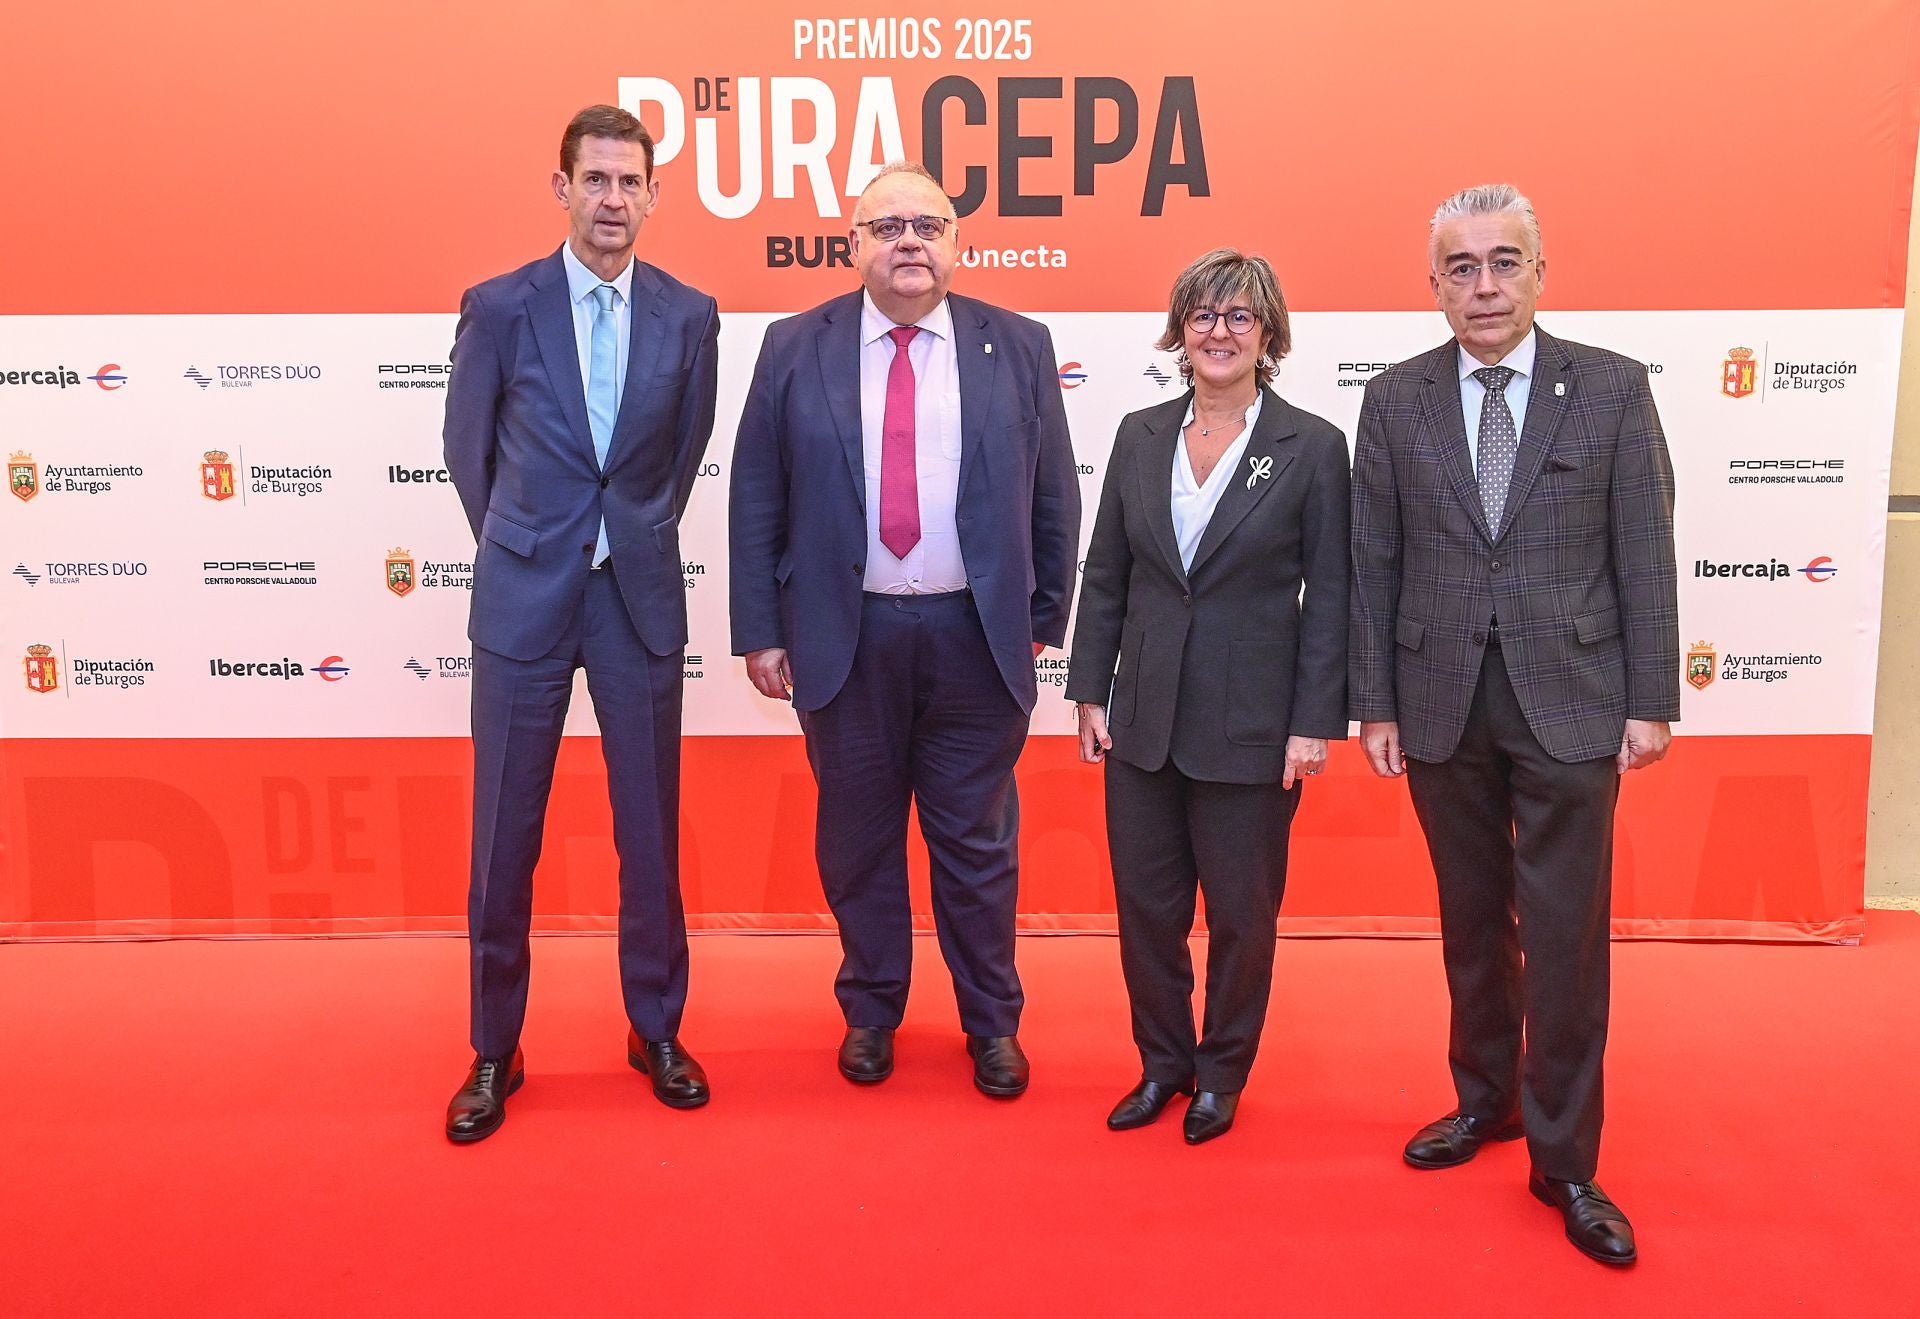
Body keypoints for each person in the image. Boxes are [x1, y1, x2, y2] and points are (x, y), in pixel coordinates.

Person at [1349, 183, 1678, 1262]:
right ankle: (1483, 1097)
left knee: (1568, 938)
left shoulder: (1614, 389)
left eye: (1503, 262)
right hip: (1440, 698)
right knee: (1470, 920)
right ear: (1433, 282)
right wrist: (1377, 700)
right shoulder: (1395, 401)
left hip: (1574, 698)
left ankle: (1566, 1160)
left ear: (1541, 273)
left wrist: (1649, 697)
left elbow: (1644, 548)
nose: (1482, 285)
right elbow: (1375, 563)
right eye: (1460, 266)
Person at [729, 162, 1080, 1096]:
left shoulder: (1020, 344)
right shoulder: (794, 344)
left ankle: (991, 1023)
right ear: (855, 245)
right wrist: (761, 627)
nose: (910, 242)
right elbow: (756, 491)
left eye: (929, 224)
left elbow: (1055, 492)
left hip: (974, 639)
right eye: (888, 227)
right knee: (858, 840)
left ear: (957, 241)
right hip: (844, 639)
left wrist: (1042, 617)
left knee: (976, 845)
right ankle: (873, 1009)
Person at [441, 105, 720, 1142]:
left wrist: (621, 538)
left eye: (629, 182)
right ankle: (492, 1046)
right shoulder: (501, 306)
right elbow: (471, 452)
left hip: (636, 598)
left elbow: (677, 463)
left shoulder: (691, 316)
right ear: (561, 188)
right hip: (524, 597)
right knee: (503, 835)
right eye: (594, 180)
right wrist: (532, 541)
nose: (612, 200)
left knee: (649, 831)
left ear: (653, 194)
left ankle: (655, 1028)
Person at [1065, 249, 1349, 1145]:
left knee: (1240, 916)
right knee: (1146, 911)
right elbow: (1106, 572)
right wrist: (1089, 688)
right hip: (1142, 718)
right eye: (1203, 315)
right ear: (1179, 331)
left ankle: (1222, 1072)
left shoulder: (1312, 447)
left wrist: (1313, 722)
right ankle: (1162, 1064)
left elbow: (1332, 596)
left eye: (1238, 316)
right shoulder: (1138, 435)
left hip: (1253, 727)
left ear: (1267, 334)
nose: (1219, 332)